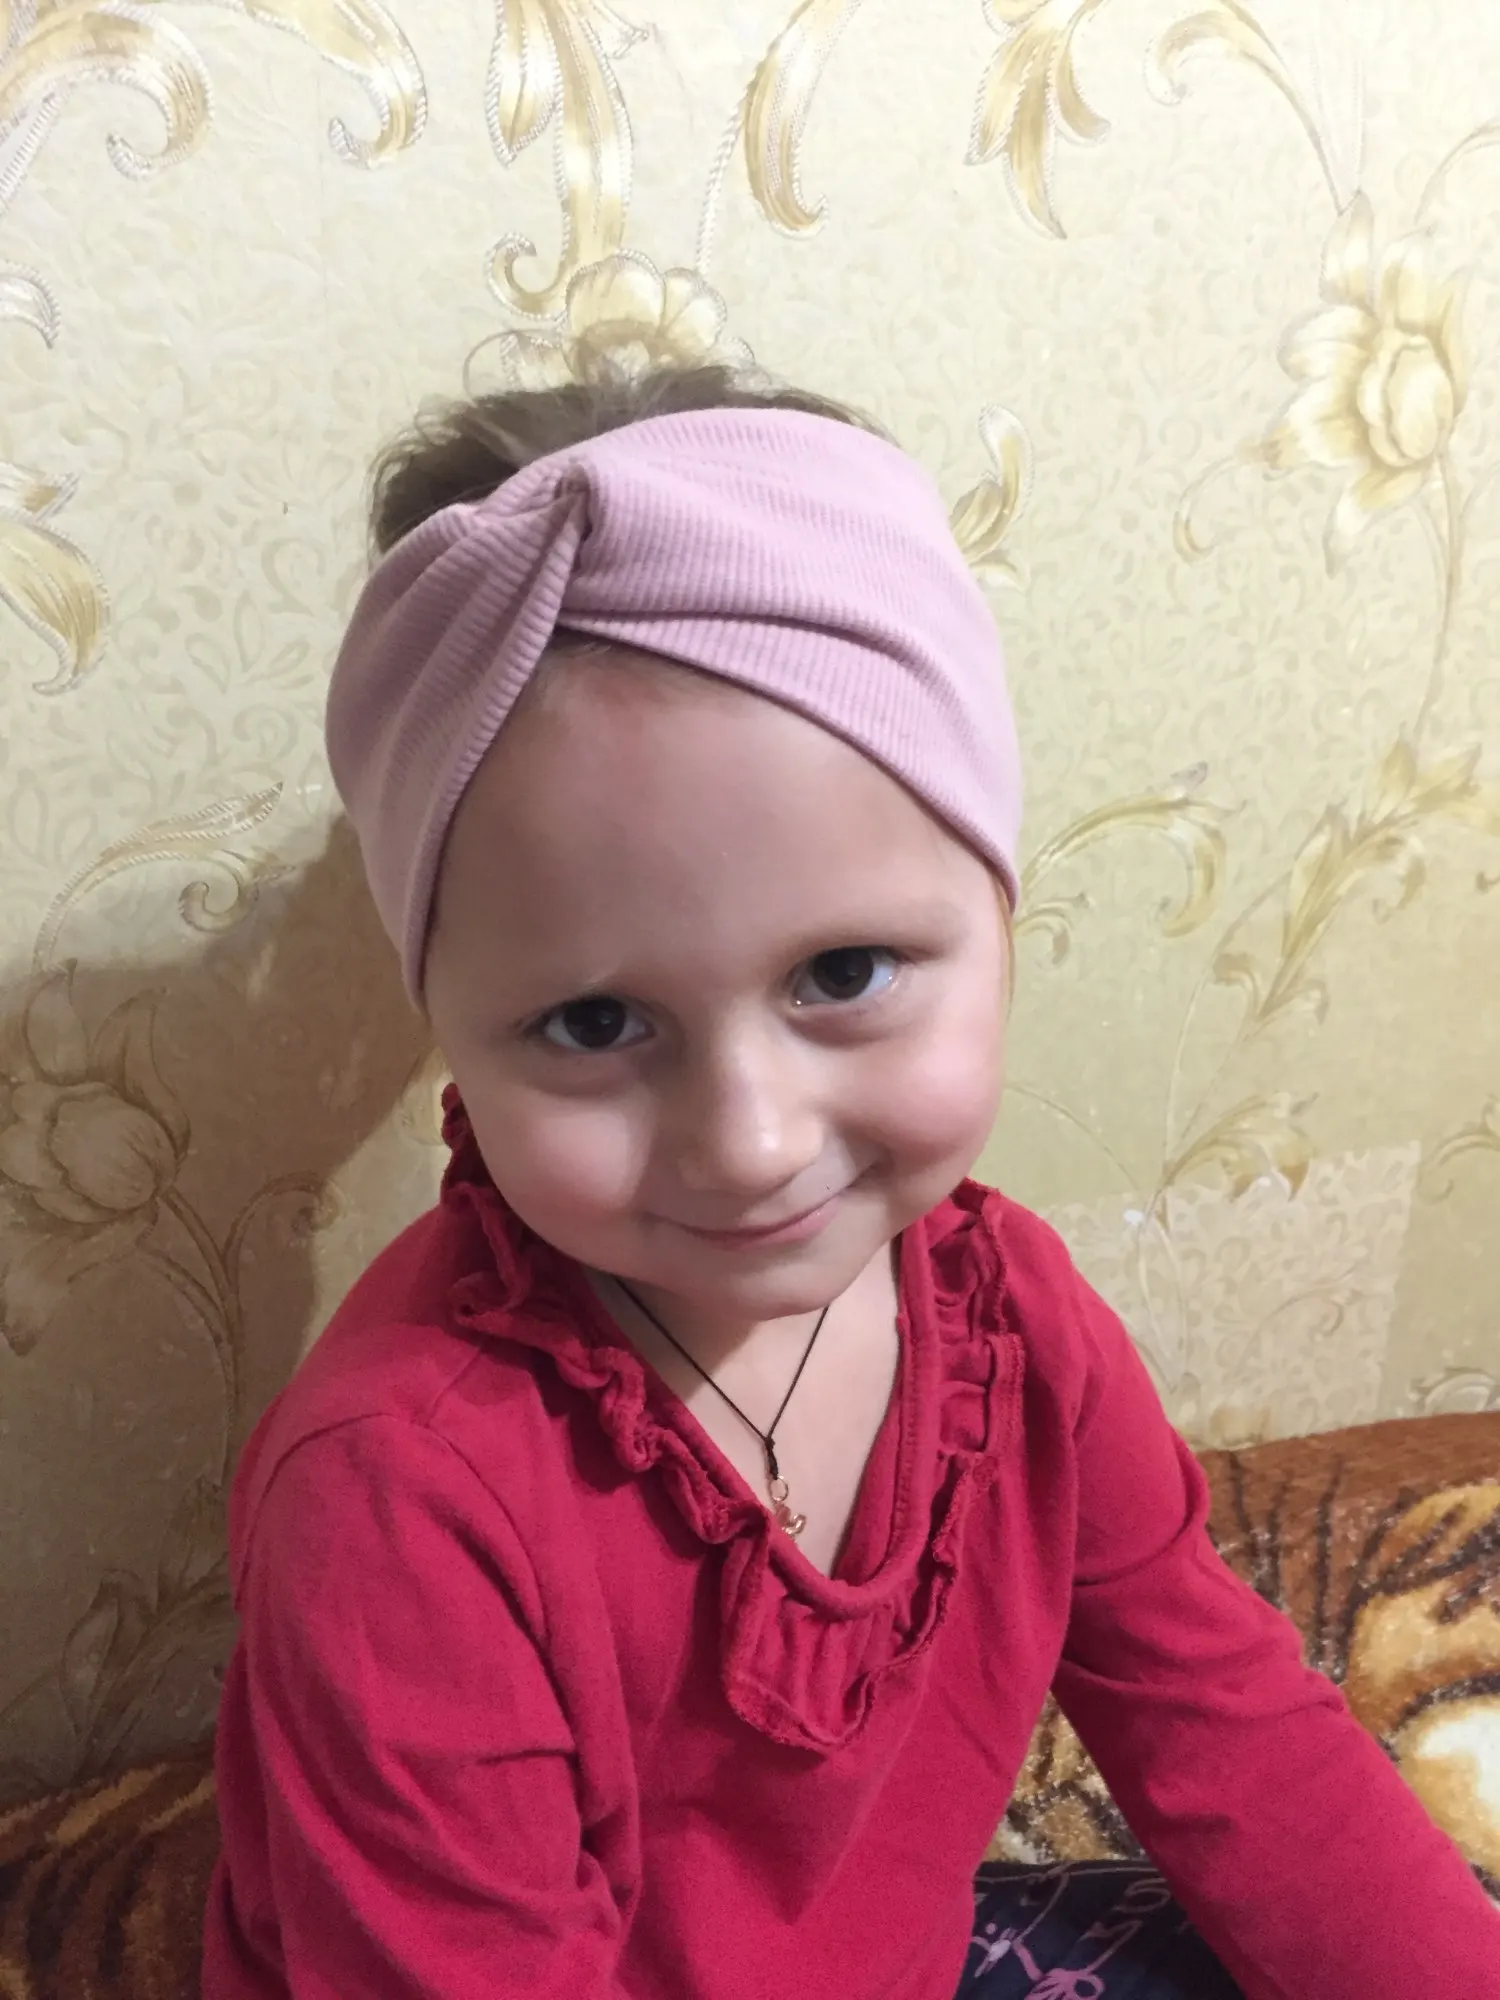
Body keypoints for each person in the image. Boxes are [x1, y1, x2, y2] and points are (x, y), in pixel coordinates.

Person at [202, 365, 1500, 1999]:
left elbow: (1236, 1739)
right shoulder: (401, 1501)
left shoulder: (1010, 1325)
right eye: (595, 1023)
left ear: (1001, 917)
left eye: (841, 973)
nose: (748, 1141)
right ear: (447, 1026)